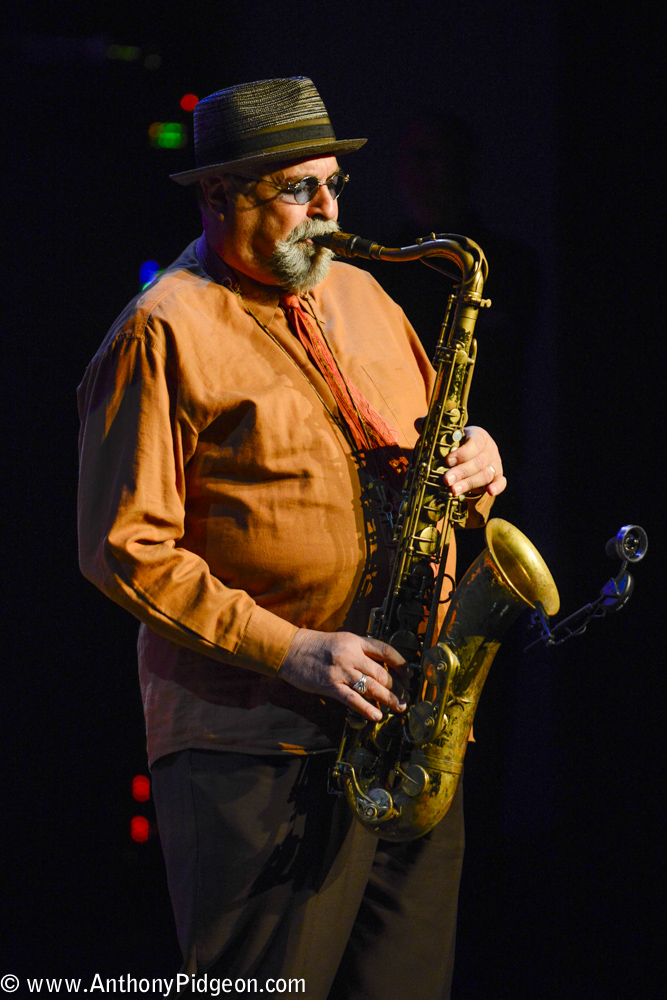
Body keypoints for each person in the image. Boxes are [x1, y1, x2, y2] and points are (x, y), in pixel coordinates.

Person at [77, 77, 505, 999]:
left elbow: (424, 463)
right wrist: (296, 651)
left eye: (333, 187)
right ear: (219, 193)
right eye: (296, 189)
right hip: (257, 745)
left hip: (407, 721)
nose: (326, 211)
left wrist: (475, 464)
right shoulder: (163, 331)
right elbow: (125, 548)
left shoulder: (365, 298)